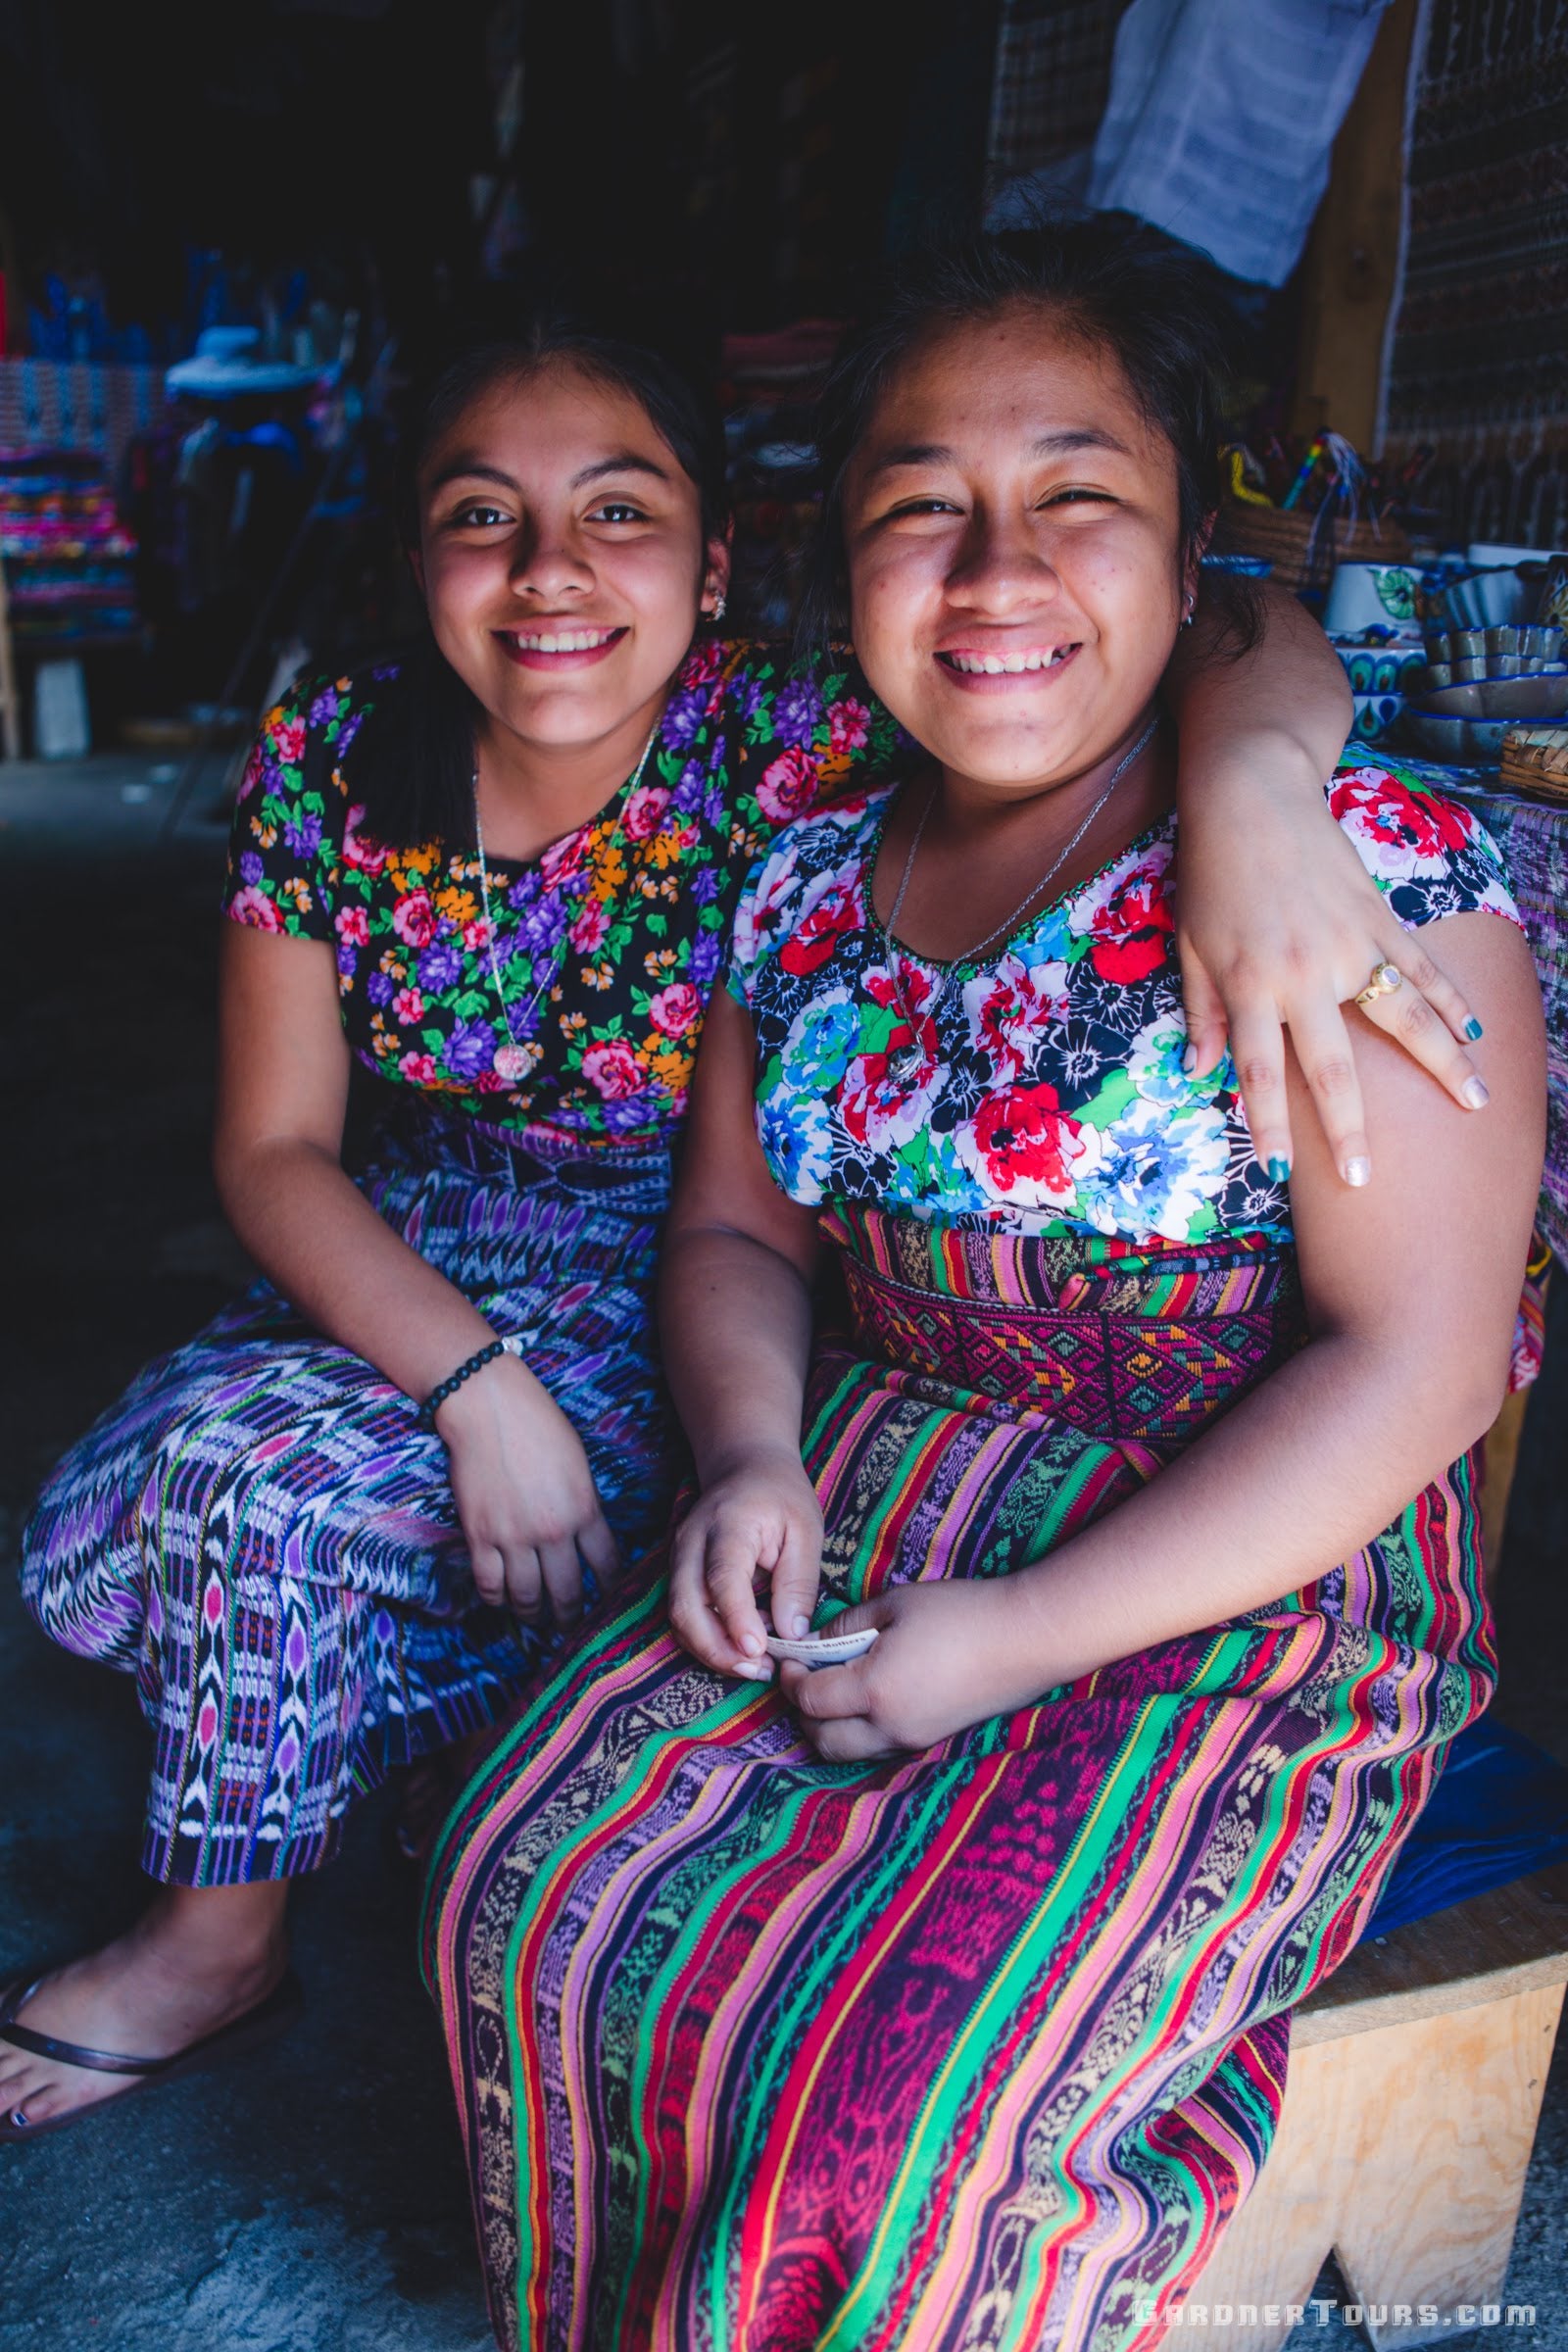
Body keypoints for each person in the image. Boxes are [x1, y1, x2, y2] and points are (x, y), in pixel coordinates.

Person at [4, 311, 1492, 2145]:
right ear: (416, 557)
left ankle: (225, 1925)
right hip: (423, 1275)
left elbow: (1224, 621)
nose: (550, 574)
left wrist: (1258, 785)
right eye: (483, 516)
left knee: (263, 1502)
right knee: (151, 1509)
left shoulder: (794, 743)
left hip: (674, 1290)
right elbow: (270, 1152)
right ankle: (442, 1737)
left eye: (617, 512)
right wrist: (471, 1384)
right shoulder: (334, 754)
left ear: (720, 566)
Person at [421, 227, 1544, 2352]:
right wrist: (747, 1458)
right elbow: (738, 1235)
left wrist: (1016, 1639)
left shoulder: (1352, 874)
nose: (991, 569)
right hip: (866, 1491)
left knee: (900, 2116)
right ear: (833, 558)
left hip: (1238, 1580)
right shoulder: (802, 881)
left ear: (1188, 536)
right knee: (525, 1898)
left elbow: (1412, 1368)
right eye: (917, 505)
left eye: (1072, 498)